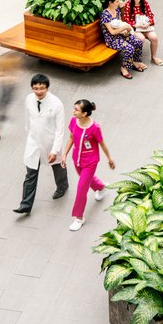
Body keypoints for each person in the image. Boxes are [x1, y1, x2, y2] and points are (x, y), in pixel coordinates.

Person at [14, 74, 68, 214]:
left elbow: (60, 130)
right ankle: (25, 204)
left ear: (47, 88)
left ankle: (62, 186)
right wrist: (30, 135)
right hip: (34, 141)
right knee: (31, 173)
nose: (38, 91)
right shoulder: (29, 99)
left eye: (42, 88)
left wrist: (55, 150)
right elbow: (28, 119)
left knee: (57, 167)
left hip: (51, 142)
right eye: (35, 88)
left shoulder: (56, 104)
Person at [60, 99, 114, 231]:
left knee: (81, 188)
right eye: (74, 108)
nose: (73, 111)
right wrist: (65, 154)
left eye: (76, 109)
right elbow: (71, 138)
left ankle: (79, 217)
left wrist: (109, 159)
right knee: (87, 181)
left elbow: (102, 144)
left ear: (84, 113)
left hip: (90, 162)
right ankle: (101, 187)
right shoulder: (73, 121)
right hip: (77, 160)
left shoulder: (95, 128)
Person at [100, 0, 146, 79]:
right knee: (130, 48)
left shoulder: (116, 10)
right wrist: (125, 27)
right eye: (117, 1)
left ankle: (135, 62)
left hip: (120, 34)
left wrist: (124, 30)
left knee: (138, 42)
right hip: (111, 40)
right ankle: (124, 68)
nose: (119, 2)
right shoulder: (105, 14)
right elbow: (112, 32)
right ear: (110, 3)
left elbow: (119, 23)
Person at [121, 0, 163, 66]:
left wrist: (148, 23)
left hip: (145, 27)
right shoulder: (129, 5)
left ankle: (154, 57)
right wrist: (136, 25)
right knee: (141, 39)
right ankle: (135, 60)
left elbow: (151, 15)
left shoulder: (145, 3)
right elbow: (126, 20)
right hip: (135, 29)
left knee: (154, 37)